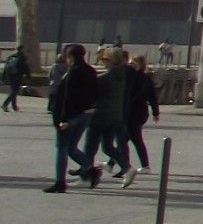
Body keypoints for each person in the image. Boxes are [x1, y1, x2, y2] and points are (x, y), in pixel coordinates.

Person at [45, 44, 98, 192]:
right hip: (85, 114)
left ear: (71, 57)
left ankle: (60, 182)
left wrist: (62, 120)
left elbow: (66, 99)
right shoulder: (90, 71)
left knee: (62, 148)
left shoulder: (73, 73)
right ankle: (90, 170)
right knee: (71, 147)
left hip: (70, 117)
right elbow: (95, 92)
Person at [83, 47, 134, 187]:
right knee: (108, 146)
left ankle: (87, 176)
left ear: (110, 61)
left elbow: (92, 93)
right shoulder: (122, 75)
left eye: (105, 60)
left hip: (100, 115)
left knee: (90, 147)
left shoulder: (105, 78)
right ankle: (127, 167)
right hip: (115, 114)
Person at [125, 54, 161, 172]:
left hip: (132, 112)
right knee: (125, 138)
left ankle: (145, 166)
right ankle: (112, 163)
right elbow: (153, 98)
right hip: (141, 112)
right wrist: (155, 113)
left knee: (135, 139)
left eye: (131, 63)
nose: (129, 65)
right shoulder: (146, 79)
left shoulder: (132, 78)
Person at [1, 45, 27, 111]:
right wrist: (28, 75)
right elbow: (25, 67)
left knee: (13, 90)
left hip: (9, 76)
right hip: (17, 76)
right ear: (22, 49)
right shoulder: (22, 57)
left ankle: (14, 106)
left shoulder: (10, 57)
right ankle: (5, 104)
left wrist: (3, 77)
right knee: (15, 91)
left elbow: (6, 67)